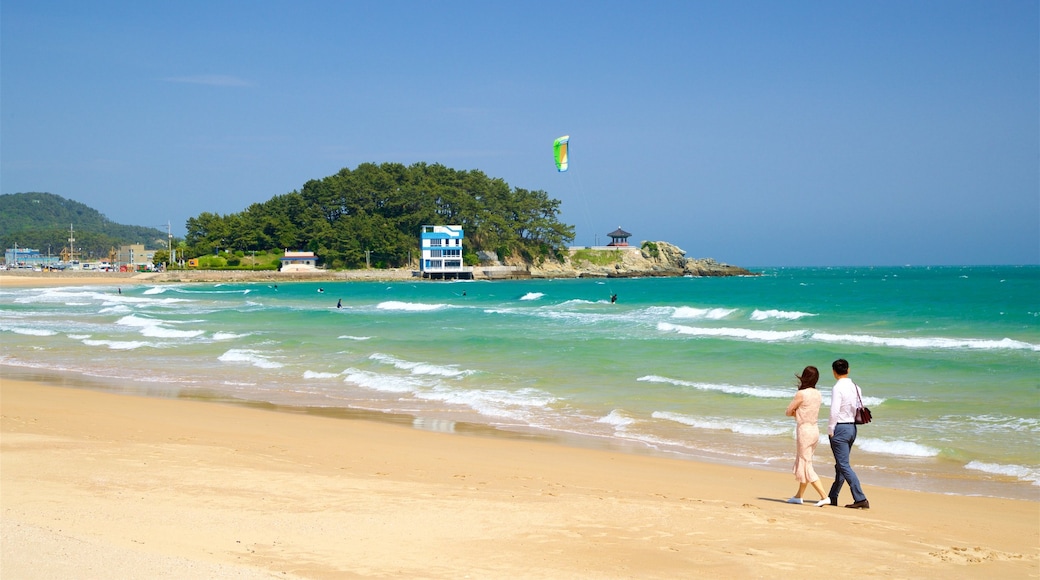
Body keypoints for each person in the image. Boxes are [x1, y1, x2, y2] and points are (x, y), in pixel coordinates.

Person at [825, 358, 870, 509]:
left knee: (843, 465)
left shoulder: (837, 388)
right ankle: (833, 496)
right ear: (848, 370)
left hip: (840, 428)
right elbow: (858, 407)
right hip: (852, 428)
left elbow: (834, 410)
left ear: (834, 372)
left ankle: (860, 498)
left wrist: (831, 429)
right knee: (841, 464)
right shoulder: (856, 387)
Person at [784, 365, 829, 505]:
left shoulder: (801, 394)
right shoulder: (818, 393)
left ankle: (824, 496)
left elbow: (788, 411)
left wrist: (797, 414)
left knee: (806, 463)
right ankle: (799, 496)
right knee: (805, 462)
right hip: (815, 430)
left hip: (804, 431)